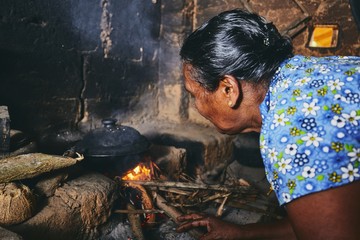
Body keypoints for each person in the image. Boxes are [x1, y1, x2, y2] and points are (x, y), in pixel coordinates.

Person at [176, 9, 360, 240]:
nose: (196, 106)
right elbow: (323, 222)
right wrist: (243, 233)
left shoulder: (293, 131)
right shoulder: (305, 74)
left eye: (194, 94)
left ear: (228, 89)